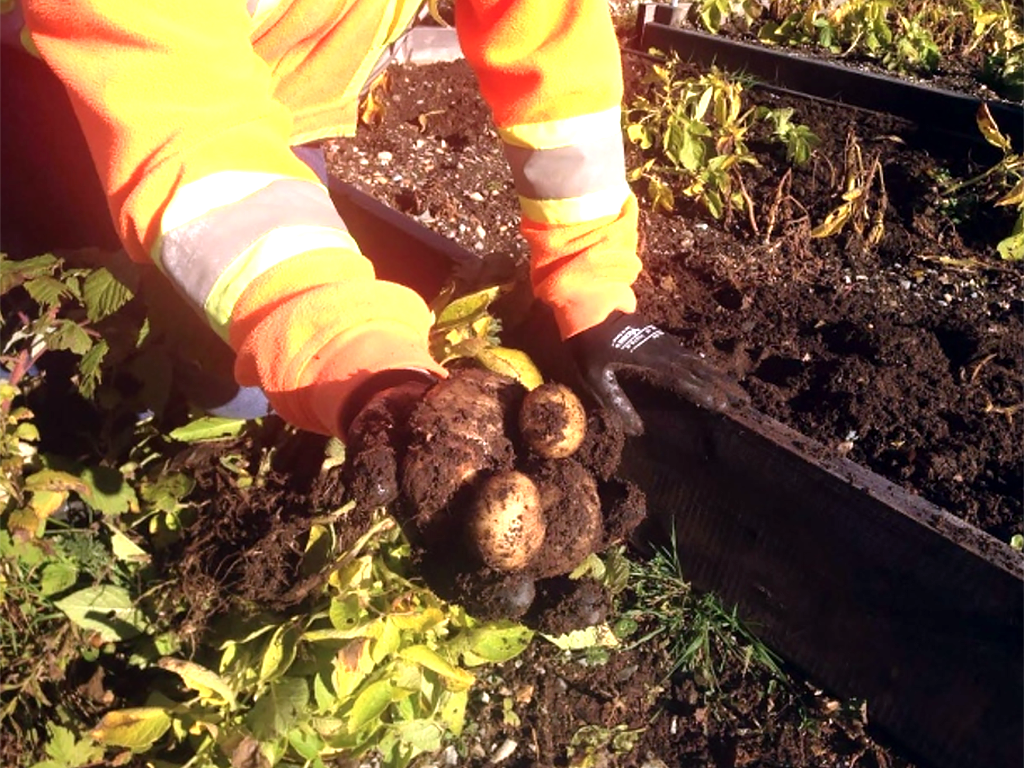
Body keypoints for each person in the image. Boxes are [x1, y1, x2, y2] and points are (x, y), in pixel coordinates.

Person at [2, 0, 744, 448]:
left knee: (241, 381)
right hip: (62, 80)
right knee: (52, 263)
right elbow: (181, 129)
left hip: (263, 95)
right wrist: (353, 354)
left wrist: (591, 282)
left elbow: (548, 42)